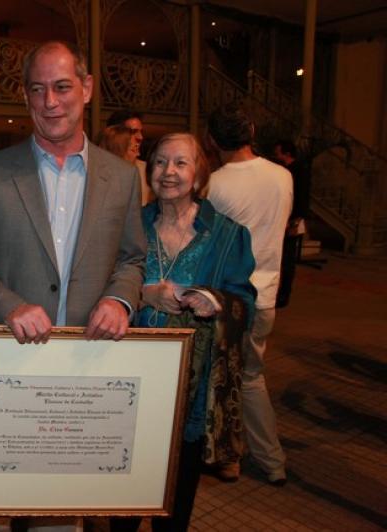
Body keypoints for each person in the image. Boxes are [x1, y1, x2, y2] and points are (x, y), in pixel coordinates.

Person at [0, 40, 146, 532]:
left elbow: (132, 258)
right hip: (4, 374)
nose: (50, 102)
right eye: (38, 90)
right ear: (26, 96)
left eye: (61, 87)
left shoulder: (122, 177)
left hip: (81, 376)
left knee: (58, 515)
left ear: (87, 88)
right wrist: (7, 305)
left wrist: (119, 299)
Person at [110, 133, 256, 532]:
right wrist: (143, 294)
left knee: (178, 490)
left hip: (192, 386)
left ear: (199, 174)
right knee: (123, 484)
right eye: (159, 162)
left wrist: (215, 300)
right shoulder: (128, 225)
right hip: (129, 380)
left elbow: (245, 301)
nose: (168, 172)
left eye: (180, 162)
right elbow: (99, 286)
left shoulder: (227, 234)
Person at [207, 103, 292, 486]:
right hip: (267, 293)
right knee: (250, 375)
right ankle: (261, 460)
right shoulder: (282, 176)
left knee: (233, 379)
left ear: (212, 140)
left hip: (231, 297)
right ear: (252, 132)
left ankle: (258, 458)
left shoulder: (215, 185)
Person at [273, 139, 310, 307]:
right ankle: (281, 293)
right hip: (288, 219)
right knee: (284, 259)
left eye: (278, 153)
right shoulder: (292, 170)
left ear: (286, 154)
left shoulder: (296, 172)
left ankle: (284, 295)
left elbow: (300, 198)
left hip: (291, 220)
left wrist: (294, 220)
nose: (276, 156)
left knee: (287, 259)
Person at [106, 110, 153, 204]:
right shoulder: (97, 168)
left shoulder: (146, 170)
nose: (140, 137)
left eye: (141, 132)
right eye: (133, 132)